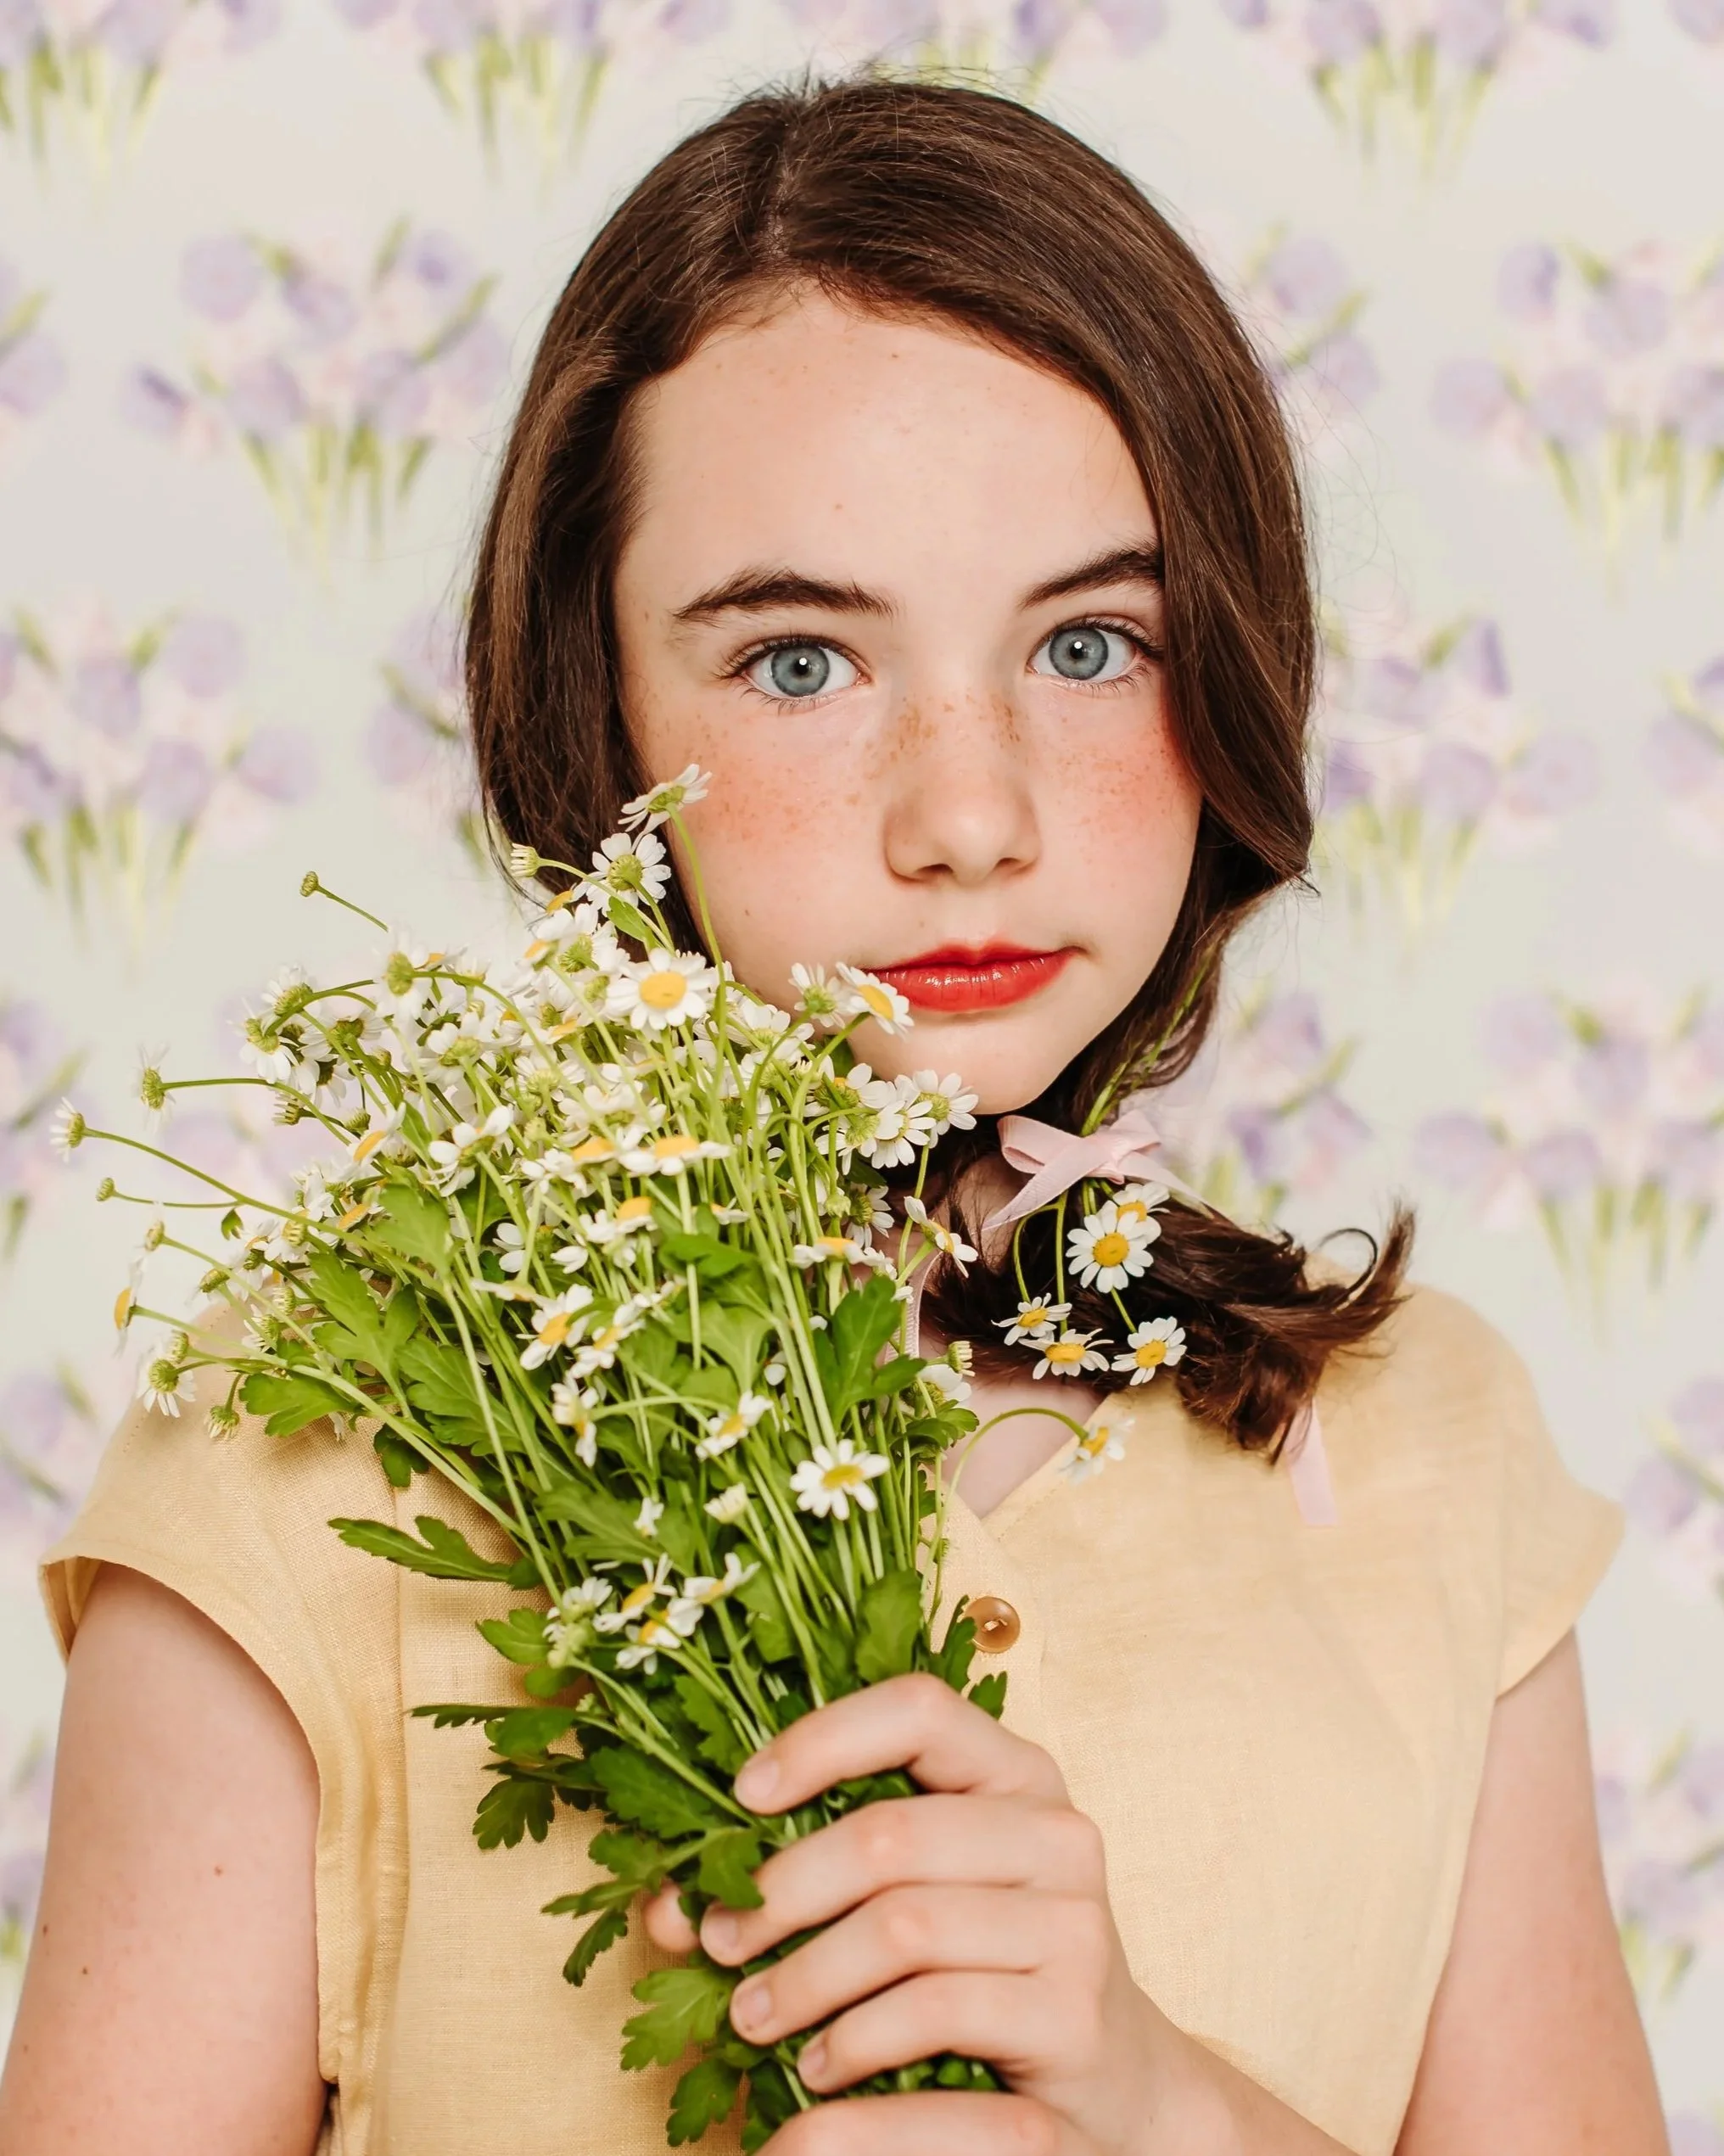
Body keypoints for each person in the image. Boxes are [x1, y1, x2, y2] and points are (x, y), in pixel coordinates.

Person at [0, 74, 1667, 2156]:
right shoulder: (313, 1439)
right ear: (591, 710)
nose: (965, 816)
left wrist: (1159, 2114)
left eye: (1086, 641)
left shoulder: (1419, 1446)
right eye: (799, 663)